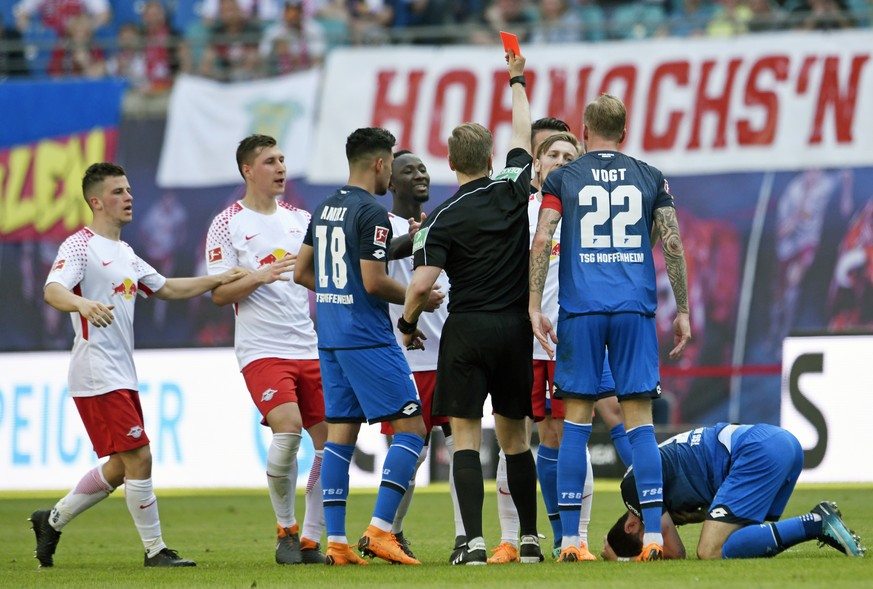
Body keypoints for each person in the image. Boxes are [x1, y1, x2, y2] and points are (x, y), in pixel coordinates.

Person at [34, 162, 246, 568]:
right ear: (96, 201)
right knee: (141, 457)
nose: (128, 197)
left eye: (129, 189)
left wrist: (219, 278)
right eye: (117, 192)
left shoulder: (125, 253)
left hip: (120, 371)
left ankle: (52, 520)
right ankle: (155, 551)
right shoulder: (80, 246)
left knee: (120, 465)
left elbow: (166, 287)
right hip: (96, 369)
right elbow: (53, 290)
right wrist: (81, 302)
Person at [529, 93, 692, 562]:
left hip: (580, 309)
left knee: (575, 423)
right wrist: (682, 309)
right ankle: (655, 540)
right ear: (624, 132)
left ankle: (571, 542)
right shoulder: (649, 175)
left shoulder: (564, 176)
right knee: (640, 424)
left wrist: (535, 303)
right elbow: (674, 245)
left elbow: (542, 239)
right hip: (633, 308)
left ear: (583, 131)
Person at [400, 50, 543, 566]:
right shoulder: (511, 188)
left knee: (465, 439)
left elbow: (420, 285)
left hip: (466, 331)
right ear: (490, 160)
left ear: (451, 161)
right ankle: (528, 540)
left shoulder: (440, 219)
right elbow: (522, 132)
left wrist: (408, 323)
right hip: (513, 330)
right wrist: (517, 80)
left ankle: (474, 544)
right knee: (514, 439)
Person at [293, 127, 442, 566]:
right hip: (367, 338)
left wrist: (341, 288)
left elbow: (302, 272)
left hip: (332, 340)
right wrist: (419, 298)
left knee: (340, 437)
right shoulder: (371, 213)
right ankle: (380, 531)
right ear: (380, 164)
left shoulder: (324, 208)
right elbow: (375, 282)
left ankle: (336, 544)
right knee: (413, 431)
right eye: (392, 161)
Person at [205, 134, 328, 565]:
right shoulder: (227, 223)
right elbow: (220, 295)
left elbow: (320, 277)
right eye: (270, 161)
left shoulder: (301, 219)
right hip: (262, 349)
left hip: (309, 346)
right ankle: (285, 530)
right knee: (289, 429)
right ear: (247, 171)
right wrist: (259, 276)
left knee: (332, 443)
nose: (280, 168)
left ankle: (311, 539)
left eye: (282, 159)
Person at [602, 423, 867, 560]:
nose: (654, 549)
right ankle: (816, 525)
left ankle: (817, 523)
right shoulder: (647, 481)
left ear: (631, 526)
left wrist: (622, 559)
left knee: (709, 551)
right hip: (777, 442)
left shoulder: (632, 488)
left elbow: (675, 551)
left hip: (755, 452)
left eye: (648, 549)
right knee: (743, 544)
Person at [381, 149, 464, 560]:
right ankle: (391, 532)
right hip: (406, 357)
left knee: (461, 447)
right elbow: (374, 264)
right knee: (411, 453)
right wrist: (413, 239)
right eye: (408, 170)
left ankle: (466, 537)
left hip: (448, 355)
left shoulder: (442, 219)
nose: (420, 175)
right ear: (390, 182)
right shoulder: (381, 224)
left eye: (423, 169)